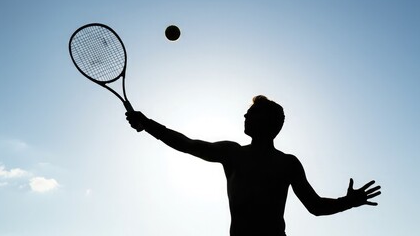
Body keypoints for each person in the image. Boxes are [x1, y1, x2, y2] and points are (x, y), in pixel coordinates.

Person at [126, 95, 381, 236]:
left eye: (253, 112)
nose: (246, 115)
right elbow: (187, 143)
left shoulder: (287, 163)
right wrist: (148, 124)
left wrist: (348, 202)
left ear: (272, 122)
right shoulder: (232, 152)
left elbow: (315, 206)